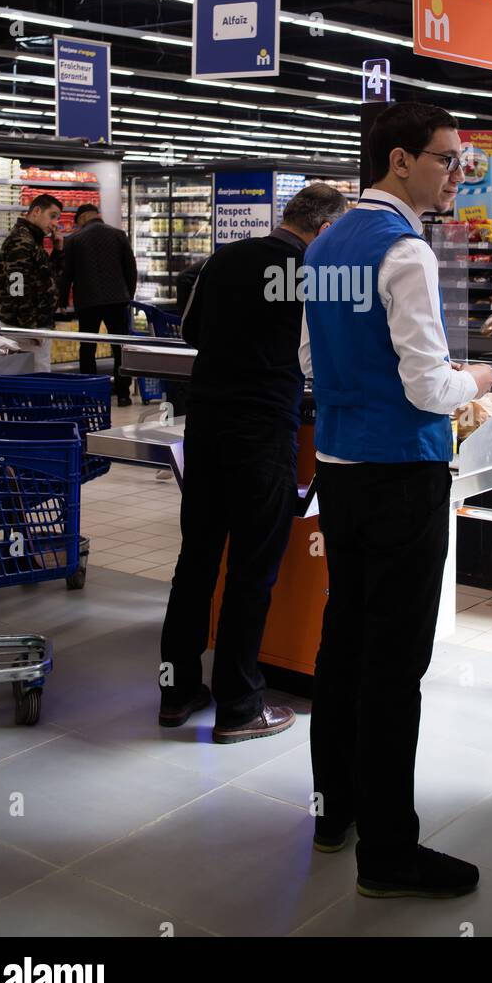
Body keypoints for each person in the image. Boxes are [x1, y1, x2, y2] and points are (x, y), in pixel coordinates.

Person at [299, 101, 492, 900]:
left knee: (343, 643)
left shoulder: (326, 243)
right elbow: (427, 387)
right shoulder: (404, 249)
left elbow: (311, 359)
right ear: (400, 161)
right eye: (446, 159)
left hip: (340, 473)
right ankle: (389, 854)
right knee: (394, 667)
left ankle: (331, 814)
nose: (455, 173)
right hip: (402, 477)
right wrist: (475, 381)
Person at [159, 182, 349, 742]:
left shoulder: (223, 257)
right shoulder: (311, 274)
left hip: (208, 425)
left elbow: (191, 330)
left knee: (195, 561)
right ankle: (240, 706)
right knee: (251, 569)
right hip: (263, 432)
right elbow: (322, 357)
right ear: (326, 228)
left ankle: (176, 691)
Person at [59, 204, 138, 406]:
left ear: (83, 217)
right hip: (117, 300)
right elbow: (131, 268)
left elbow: (66, 274)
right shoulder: (119, 235)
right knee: (120, 348)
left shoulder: (74, 240)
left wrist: (61, 302)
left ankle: (90, 393)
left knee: (87, 348)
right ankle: (123, 394)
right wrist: (128, 294)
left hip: (88, 301)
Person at [0, 194, 65, 372]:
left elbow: (48, 279)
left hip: (32, 326)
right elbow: (17, 290)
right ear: (36, 211)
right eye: (52, 216)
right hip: (24, 329)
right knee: (36, 383)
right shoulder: (21, 241)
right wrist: (30, 329)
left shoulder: (33, 241)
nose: (55, 223)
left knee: (35, 382)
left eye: (57, 218)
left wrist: (57, 252)